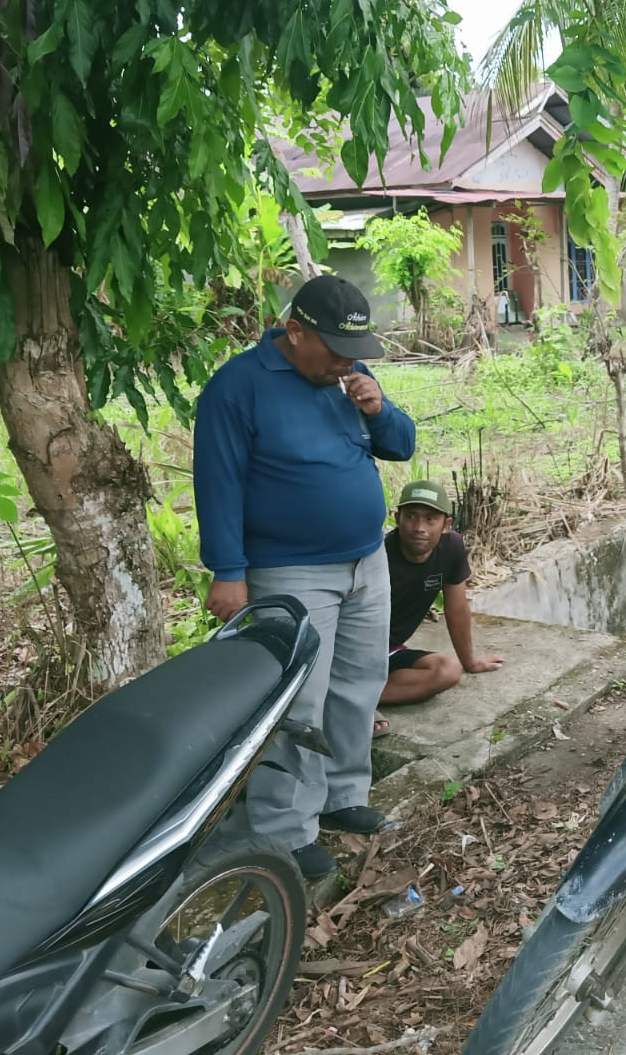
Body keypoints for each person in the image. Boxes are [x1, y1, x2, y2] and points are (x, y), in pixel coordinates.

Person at [193, 274, 415, 881]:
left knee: (357, 683)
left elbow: (401, 446)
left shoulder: (345, 378)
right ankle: (287, 829)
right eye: (337, 350)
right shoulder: (238, 388)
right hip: (289, 570)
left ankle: (344, 796)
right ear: (295, 332)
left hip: (367, 561)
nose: (347, 362)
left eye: (356, 353)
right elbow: (218, 485)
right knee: (297, 703)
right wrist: (228, 572)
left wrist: (379, 406)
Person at [379, 479, 502, 709]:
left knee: (449, 670)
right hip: (355, 652)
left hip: (390, 650)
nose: (419, 527)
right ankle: (356, 701)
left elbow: (456, 609)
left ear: (446, 525)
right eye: (411, 516)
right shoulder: (378, 555)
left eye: (430, 519)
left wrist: (471, 662)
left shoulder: (451, 547)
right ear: (397, 519)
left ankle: (358, 696)